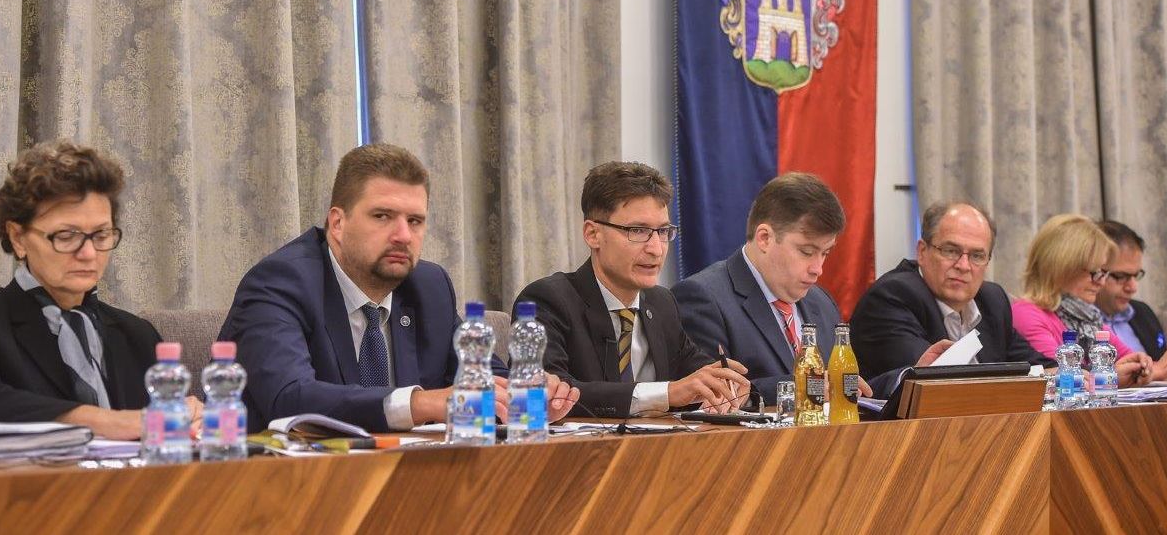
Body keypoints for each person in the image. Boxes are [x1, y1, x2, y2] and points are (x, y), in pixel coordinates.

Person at [219, 143, 579, 432]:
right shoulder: (280, 282)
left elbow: (480, 377)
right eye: (383, 216)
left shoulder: (430, 286)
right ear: (337, 224)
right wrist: (420, 404)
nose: (403, 235)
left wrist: (526, 396)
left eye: (415, 221)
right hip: (289, 484)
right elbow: (290, 398)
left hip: (408, 479)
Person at [0, 140, 202, 439]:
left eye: (101, 235)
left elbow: (163, 429)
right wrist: (108, 421)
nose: (88, 254)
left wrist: (188, 419)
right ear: (18, 238)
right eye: (66, 236)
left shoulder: (137, 333)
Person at [675, 173, 946, 401]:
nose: (818, 268)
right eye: (807, 252)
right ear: (765, 238)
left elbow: (845, 385)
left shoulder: (821, 302)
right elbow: (714, 394)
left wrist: (912, 375)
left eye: (825, 253)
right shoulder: (703, 298)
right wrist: (806, 386)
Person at [514, 161, 751, 418]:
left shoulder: (661, 303)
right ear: (593, 234)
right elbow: (549, 393)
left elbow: (695, 370)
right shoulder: (548, 300)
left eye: (663, 231)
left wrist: (724, 384)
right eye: (638, 231)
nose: (656, 249)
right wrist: (667, 393)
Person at [851, 202, 1054, 382]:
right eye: (950, 251)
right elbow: (934, 379)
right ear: (922, 252)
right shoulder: (893, 297)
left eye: (977, 255)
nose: (963, 266)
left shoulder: (992, 300)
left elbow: (1042, 368)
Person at [1011, 214, 1153, 387]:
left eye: (1103, 272)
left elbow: (1128, 359)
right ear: (1062, 268)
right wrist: (1111, 378)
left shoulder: (1087, 317)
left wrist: (1141, 367)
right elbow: (1062, 379)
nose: (1101, 282)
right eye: (1095, 273)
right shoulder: (1027, 313)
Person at [1095, 220, 1167, 382]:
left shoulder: (1142, 312)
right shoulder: (1073, 322)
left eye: (1136, 275)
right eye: (1121, 276)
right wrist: (1160, 369)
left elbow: (1161, 374)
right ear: (1095, 270)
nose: (1133, 287)